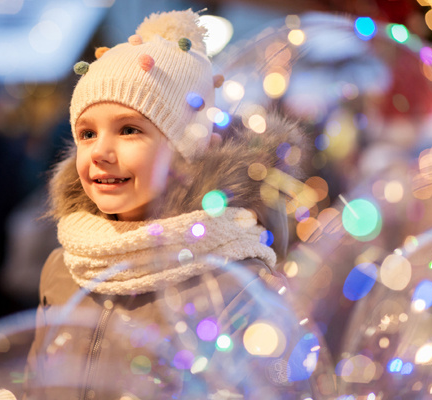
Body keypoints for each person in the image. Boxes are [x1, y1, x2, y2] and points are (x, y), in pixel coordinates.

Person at [24, 9, 319, 400]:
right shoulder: (65, 267)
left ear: (189, 150)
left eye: (130, 130)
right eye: (87, 133)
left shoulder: (232, 283)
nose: (99, 152)